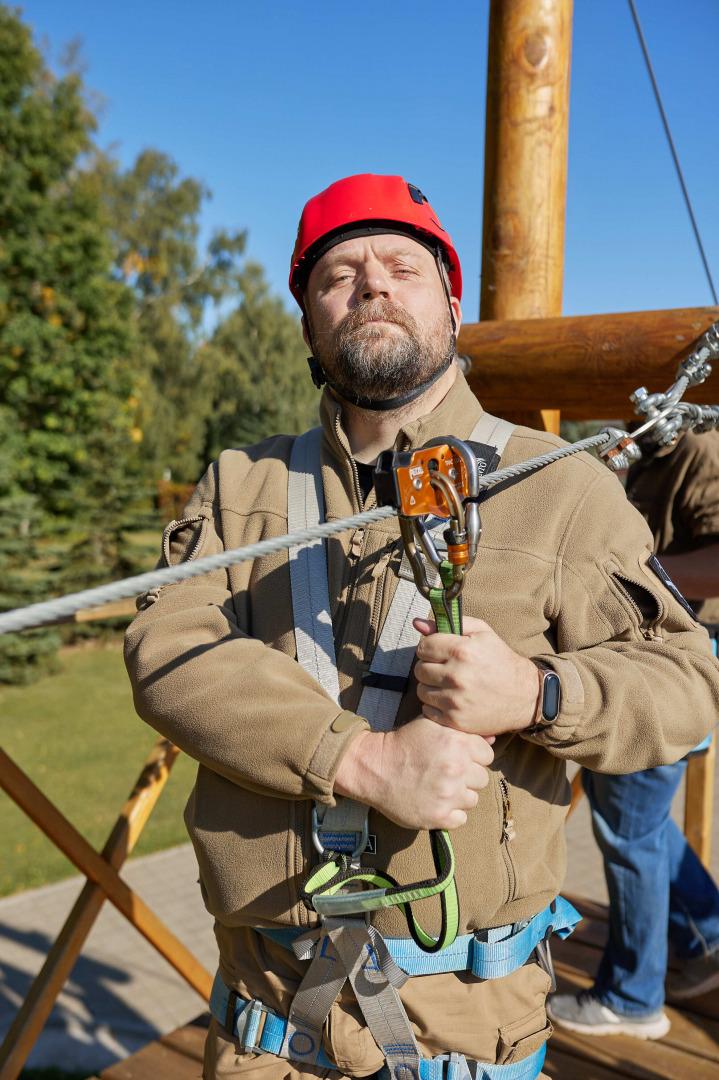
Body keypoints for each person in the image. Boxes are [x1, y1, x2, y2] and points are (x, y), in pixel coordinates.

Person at [124, 174, 719, 1080]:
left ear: (449, 302)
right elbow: (168, 647)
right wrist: (359, 761)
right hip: (265, 1022)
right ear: (308, 324)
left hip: (465, 1032)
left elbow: (686, 679)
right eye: (338, 275)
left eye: (401, 265)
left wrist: (535, 691)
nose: (370, 284)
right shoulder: (240, 484)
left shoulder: (559, 488)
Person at [548, 429, 719, 1040]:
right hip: (642, 661)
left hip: (660, 670)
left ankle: (632, 995)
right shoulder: (659, 451)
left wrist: (630, 572)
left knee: (629, 833)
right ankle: (705, 932)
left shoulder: (699, 450)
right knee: (639, 823)